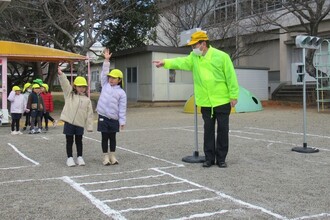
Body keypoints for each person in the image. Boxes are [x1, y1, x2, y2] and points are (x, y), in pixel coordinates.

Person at [153, 31, 239, 168]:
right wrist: (165, 62)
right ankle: (209, 158)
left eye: (195, 45)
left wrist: (233, 96)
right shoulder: (194, 57)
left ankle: (221, 159)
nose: (192, 48)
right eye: (192, 46)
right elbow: (181, 62)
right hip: (205, 102)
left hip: (222, 101)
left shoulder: (222, 56)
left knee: (223, 130)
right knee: (208, 130)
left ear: (203, 44)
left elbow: (231, 77)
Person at [57, 66, 94, 167]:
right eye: (79, 86)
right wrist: (61, 74)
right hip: (69, 123)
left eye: (84, 86)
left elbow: (89, 114)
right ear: (75, 86)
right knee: (69, 141)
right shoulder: (69, 95)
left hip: (79, 124)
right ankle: (69, 158)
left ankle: (80, 157)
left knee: (79, 141)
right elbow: (65, 84)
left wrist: (89, 126)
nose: (82, 88)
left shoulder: (87, 100)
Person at [96, 48, 127, 166]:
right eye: (110, 77)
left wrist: (122, 121)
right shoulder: (105, 85)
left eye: (114, 78)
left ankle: (112, 155)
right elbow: (104, 72)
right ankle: (105, 157)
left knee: (112, 138)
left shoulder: (122, 93)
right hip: (103, 116)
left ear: (119, 80)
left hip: (114, 119)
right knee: (104, 137)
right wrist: (106, 60)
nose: (111, 79)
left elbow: (122, 108)